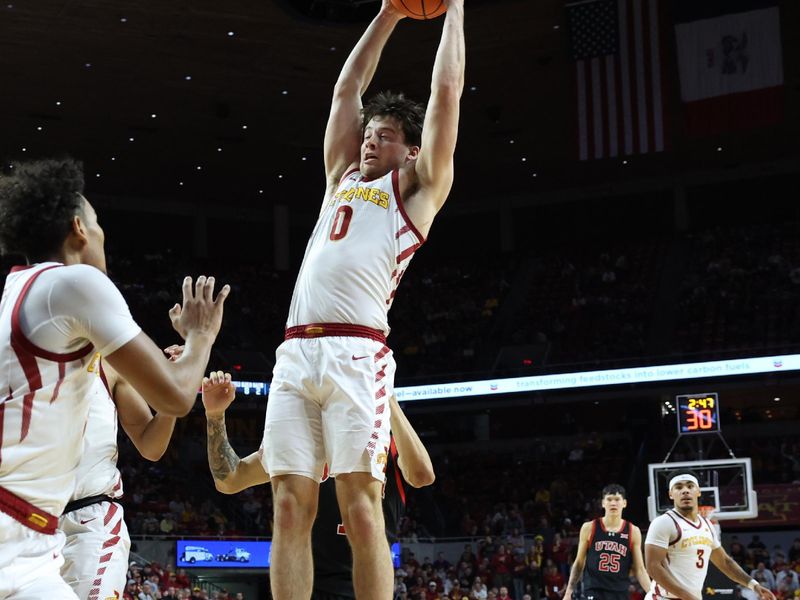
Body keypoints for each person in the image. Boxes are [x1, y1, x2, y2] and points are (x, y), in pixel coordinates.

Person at [261, 0, 465, 597]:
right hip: (295, 354)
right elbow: (347, 87)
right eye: (370, 133)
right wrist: (388, 14)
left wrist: (451, 8)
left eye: (388, 135)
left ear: (410, 150)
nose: (373, 140)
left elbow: (447, 93)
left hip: (358, 352)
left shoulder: (420, 191)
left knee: (361, 506)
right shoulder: (340, 179)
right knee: (290, 508)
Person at [0, 158, 228, 598]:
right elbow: (180, 397)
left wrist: (177, 365)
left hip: (41, 526)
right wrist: (202, 338)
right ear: (78, 229)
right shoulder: (76, 282)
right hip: (18, 529)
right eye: (98, 223)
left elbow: (153, 432)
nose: (102, 234)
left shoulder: (16, 291)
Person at [199, 371, 435, 599]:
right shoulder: (299, 443)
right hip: (306, 584)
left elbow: (422, 475)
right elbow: (229, 480)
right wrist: (215, 415)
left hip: (365, 585)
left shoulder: (381, 441)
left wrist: (387, 397)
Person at [59, 359, 180, 599]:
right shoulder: (16, 357)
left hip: (89, 521)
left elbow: (151, 446)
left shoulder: (110, 364)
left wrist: (170, 397)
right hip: (23, 520)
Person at [644, 473, 776, 600]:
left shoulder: (707, 524)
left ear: (699, 491)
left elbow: (725, 561)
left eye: (690, 486)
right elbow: (653, 567)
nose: (685, 491)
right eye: (678, 487)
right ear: (670, 494)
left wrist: (753, 585)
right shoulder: (663, 522)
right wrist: (689, 598)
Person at [563, 484, 650, 600]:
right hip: (594, 589)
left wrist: (652, 593)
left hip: (620, 591)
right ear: (603, 503)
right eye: (609, 499)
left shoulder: (633, 531)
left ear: (624, 503)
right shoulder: (589, 527)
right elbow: (579, 563)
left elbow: (640, 569)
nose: (613, 503)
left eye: (617, 499)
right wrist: (568, 592)